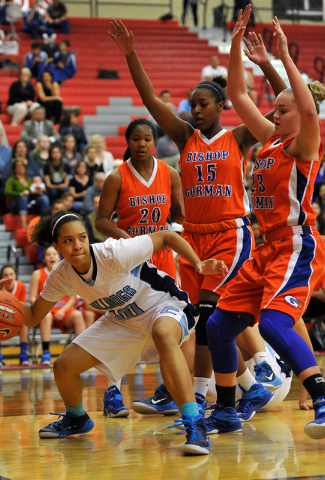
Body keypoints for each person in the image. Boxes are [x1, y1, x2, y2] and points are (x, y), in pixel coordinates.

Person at [108, 18, 287, 419]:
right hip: (192, 237)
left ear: (222, 105)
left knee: (208, 315)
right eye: (192, 105)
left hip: (229, 235)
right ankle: (228, 390)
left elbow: (282, 110)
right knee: (197, 320)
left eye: (202, 103)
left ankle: (216, 394)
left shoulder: (238, 136)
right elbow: (152, 98)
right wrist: (130, 54)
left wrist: (259, 60)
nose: (195, 109)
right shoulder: (185, 137)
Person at [0, 211, 228, 454]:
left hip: (163, 305)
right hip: (122, 320)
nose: (77, 245)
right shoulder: (61, 275)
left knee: (163, 334)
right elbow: (32, 316)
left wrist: (198, 264)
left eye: (82, 237)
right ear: (57, 246)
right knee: (63, 367)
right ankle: (77, 418)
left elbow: (166, 236)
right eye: (68, 241)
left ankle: (195, 424)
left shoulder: (113, 253)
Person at [203, 7, 325, 439]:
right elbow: (236, 94)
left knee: (273, 323)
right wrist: (235, 42)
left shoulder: (303, 145)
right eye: (273, 110)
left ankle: (321, 395)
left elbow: (309, 112)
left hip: (296, 244)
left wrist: (284, 59)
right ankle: (224, 409)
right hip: (265, 246)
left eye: (282, 109)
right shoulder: (272, 141)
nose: (274, 115)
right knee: (217, 326)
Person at [95, 117, 184, 416]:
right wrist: (126, 239)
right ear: (128, 142)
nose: (142, 143)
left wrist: (177, 230)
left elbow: (180, 215)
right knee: (121, 324)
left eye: (147, 138)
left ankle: (169, 391)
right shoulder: (117, 177)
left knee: (169, 327)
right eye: (136, 139)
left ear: (155, 141)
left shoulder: (170, 173)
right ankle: (112, 392)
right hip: (128, 260)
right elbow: (101, 220)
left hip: (161, 260)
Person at [27, 244, 89, 365]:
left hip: (62, 311)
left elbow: (72, 299)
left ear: (59, 257)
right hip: (45, 312)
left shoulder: (67, 273)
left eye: (54, 254)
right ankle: (46, 353)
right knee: (47, 315)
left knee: (77, 315)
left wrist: (62, 310)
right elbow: (32, 298)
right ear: (44, 259)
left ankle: (81, 354)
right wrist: (44, 308)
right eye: (48, 254)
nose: (51, 256)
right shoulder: (37, 274)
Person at [0, 265, 31, 367]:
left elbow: (21, 307)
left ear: (15, 276)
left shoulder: (21, 286)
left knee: (25, 322)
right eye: (6, 275)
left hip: (15, 317)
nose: (9, 277)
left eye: (11, 274)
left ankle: (23, 355)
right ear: (1, 277)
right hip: (1, 317)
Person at [4, 159, 50, 229]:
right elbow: (7, 191)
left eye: (23, 166)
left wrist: (39, 189)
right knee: (23, 197)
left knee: (44, 198)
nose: (21, 167)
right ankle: (23, 224)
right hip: (16, 202)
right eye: (18, 166)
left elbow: (34, 189)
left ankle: (44, 223)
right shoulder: (12, 179)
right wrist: (20, 193)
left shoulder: (30, 180)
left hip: (30, 201)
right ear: (15, 169)